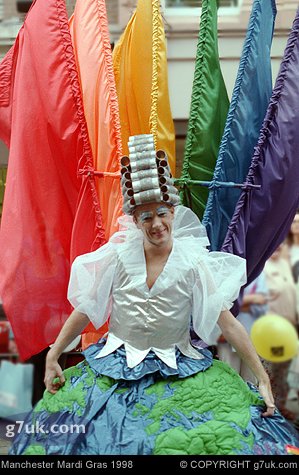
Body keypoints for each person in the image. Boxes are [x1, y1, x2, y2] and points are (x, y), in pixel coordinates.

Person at [10, 135, 299, 456]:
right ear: (135, 220)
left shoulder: (193, 263)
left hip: (178, 366)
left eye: (162, 212)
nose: (156, 223)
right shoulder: (117, 257)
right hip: (114, 365)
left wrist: (261, 377)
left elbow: (227, 324)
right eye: (146, 216)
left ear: (173, 212)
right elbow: (85, 311)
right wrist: (54, 354)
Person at [263, 243, 299, 421]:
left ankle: (284, 406)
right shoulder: (262, 268)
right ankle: (274, 407)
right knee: (274, 367)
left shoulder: (286, 265)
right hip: (271, 331)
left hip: (289, 328)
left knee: (285, 367)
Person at [217, 272, 269, 385]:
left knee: (251, 381)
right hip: (226, 337)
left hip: (252, 336)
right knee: (229, 380)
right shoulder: (226, 271)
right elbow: (216, 303)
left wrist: (236, 305)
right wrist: (251, 300)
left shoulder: (259, 275)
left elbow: (262, 305)